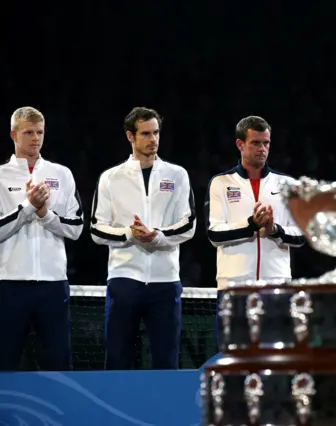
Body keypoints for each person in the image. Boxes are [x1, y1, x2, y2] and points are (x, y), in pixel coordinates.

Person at [90, 107, 196, 370]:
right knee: (117, 358)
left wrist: (157, 236)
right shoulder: (111, 178)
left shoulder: (177, 175)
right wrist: (129, 234)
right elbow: (96, 228)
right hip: (124, 279)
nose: (153, 139)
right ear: (130, 136)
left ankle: (165, 411)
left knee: (167, 361)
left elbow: (189, 223)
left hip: (166, 280)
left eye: (156, 133)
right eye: (146, 134)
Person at [205, 115, 305, 350]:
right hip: (234, 286)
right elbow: (214, 233)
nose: (262, 149)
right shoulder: (220, 183)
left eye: (266, 143)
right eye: (256, 143)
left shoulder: (286, 184)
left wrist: (274, 230)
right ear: (240, 144)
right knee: (232, 357)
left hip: (276, 285)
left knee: (276, 358)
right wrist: (251, 225)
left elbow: (300, 235)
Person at [0, 106, 84, 371]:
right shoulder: (0, 177)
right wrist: (27, 208)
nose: (35, 138)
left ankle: (62, 414)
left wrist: (45, 214)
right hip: (10, 284)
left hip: (53, 283)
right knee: (5, 361)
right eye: (28, 132)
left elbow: (76, 228)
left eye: (39, 132)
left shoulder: (62, 174)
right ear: (13, 134)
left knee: (60, 363)